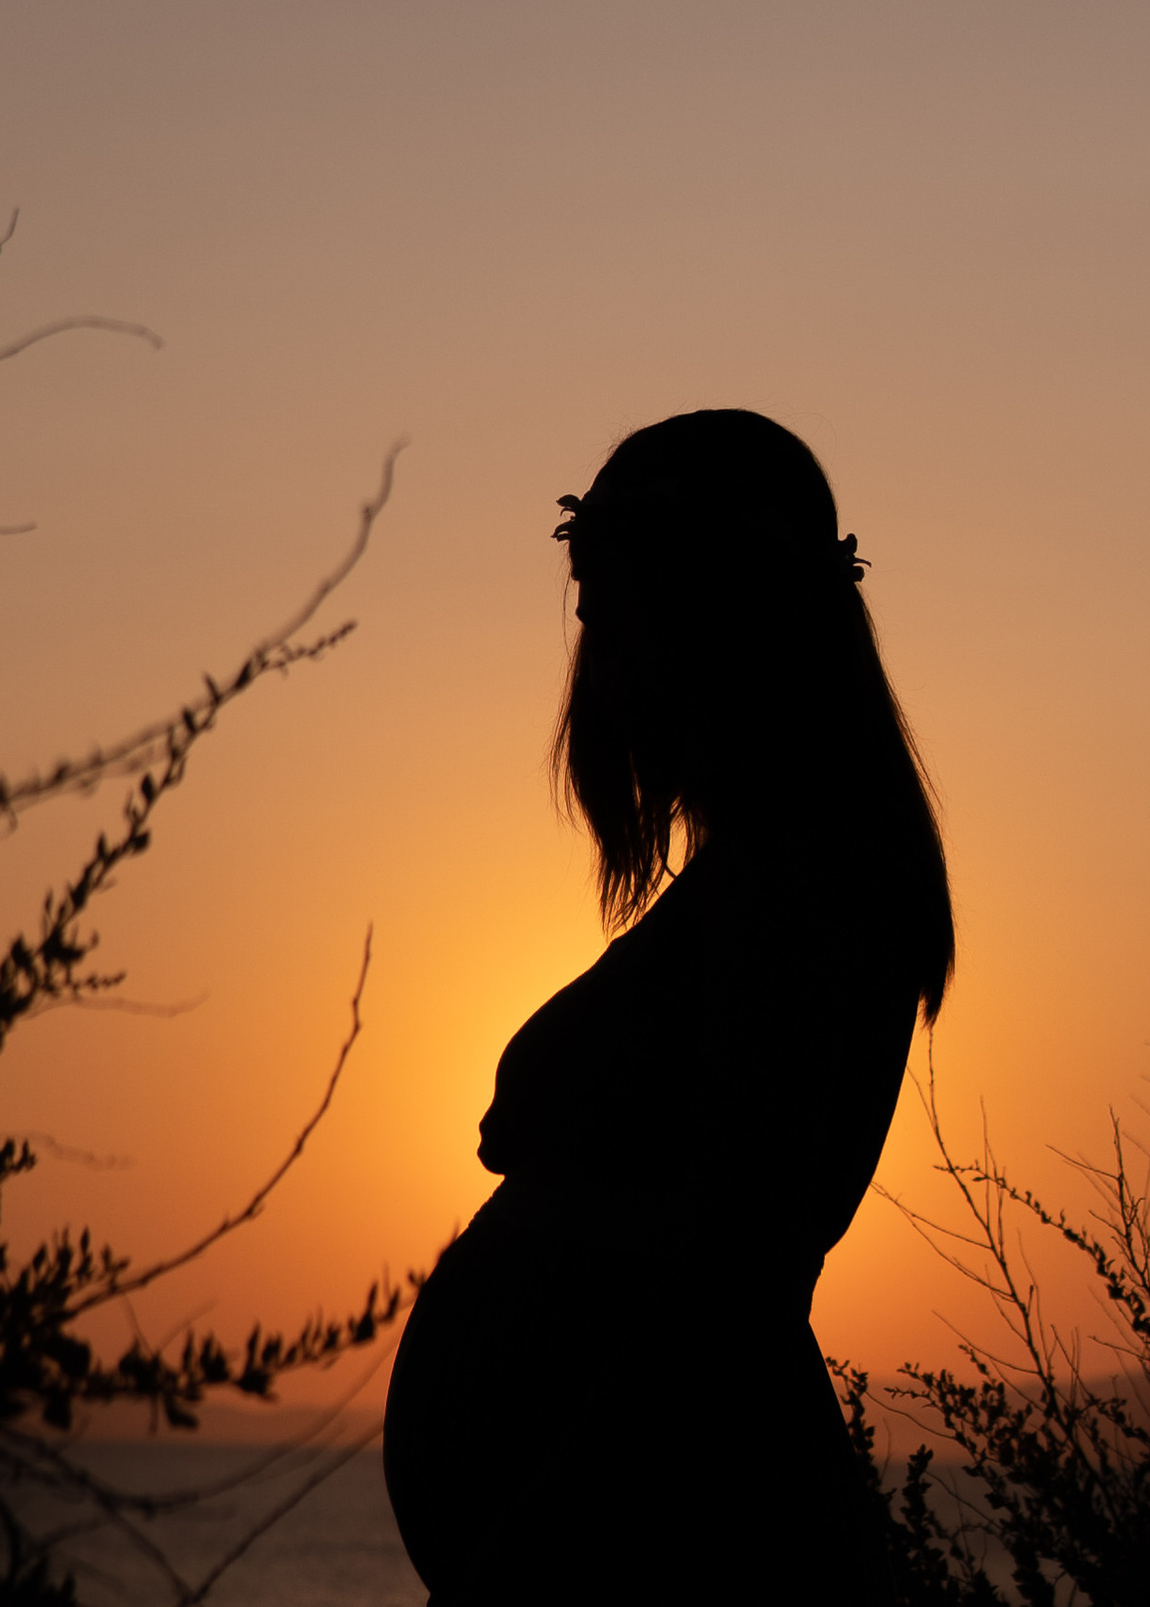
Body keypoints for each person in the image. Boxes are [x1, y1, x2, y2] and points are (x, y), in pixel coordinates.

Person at [382, 407, 955, 1604]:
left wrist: (531, 1545)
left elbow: (730, 1279)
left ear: (711, 609)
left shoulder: (800, 883)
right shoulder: (758, 877)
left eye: (606, 594)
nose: (584, 630)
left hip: (668, 1528)